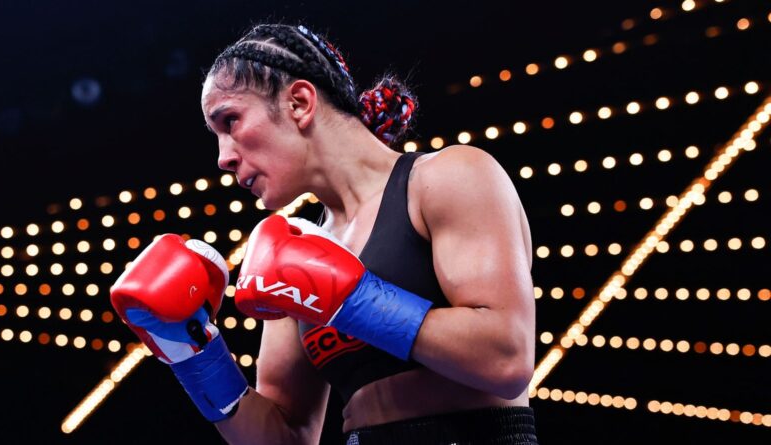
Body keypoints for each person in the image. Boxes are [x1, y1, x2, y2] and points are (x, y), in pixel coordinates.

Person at [111, 23, 538, 445]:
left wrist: (351, 300)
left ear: (299, 102)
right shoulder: (292, 255)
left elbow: (506, 359)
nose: (223, 158)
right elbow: (287, 438)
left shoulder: (448, 177)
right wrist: (194, 353)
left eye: (231, 121)